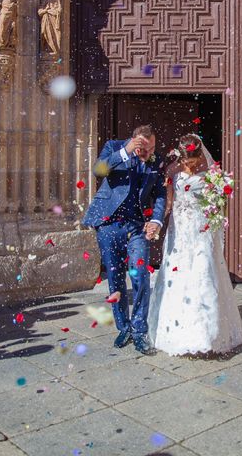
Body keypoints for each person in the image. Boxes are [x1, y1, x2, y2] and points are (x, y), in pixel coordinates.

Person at [147, 134, 242, 356]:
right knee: (177, 273)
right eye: (187, 162)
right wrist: (158, 224)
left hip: (201, 228)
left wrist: (216, 210)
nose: (191, 165)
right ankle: (177, 330)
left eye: (194, 161)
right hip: (179, 229)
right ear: (182, 157)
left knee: (203, 272)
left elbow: (217, 201)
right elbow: (170, 201)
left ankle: (207, 333)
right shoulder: (172, 170)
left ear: (200, 154)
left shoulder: (211, 172)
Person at [82, 125, 166, 355]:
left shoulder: (156, 160)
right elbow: (98, 171)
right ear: (134, 141)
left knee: (140, 274)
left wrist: (156, 220)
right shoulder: (114, 147)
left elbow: (159, 193)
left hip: (137, 225)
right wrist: (127, 150)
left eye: (152, 148)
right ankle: (124, 327)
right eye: (143, 147)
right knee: (115, 276)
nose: (148, 152)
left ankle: (139, 330)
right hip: (109, 223)